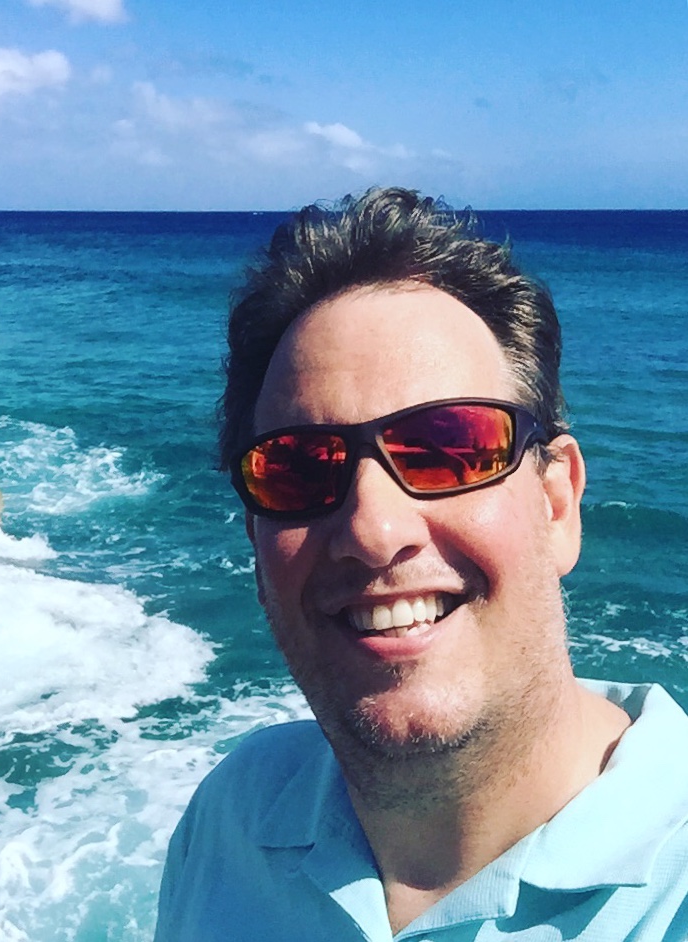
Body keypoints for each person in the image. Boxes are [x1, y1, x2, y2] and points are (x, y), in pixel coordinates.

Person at [153, 187, 688, 941]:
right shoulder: (233, 819)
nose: (373, 531)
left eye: (449, 446)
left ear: (557, 502)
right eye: (297, 468)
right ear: (255, 536)